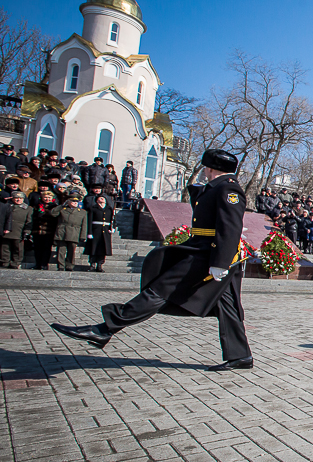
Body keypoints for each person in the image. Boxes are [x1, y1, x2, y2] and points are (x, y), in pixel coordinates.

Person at [51, 149, 254, 372]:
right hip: (205, 249)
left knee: (160, 289)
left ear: (211, 168)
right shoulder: (218, 187)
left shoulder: (228, 188)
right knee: (228, 305)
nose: (204, 171)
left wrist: (221, 262)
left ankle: (105, 329)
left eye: (206, 167)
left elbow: (230, 226)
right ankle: (240, 356)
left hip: (209, 253)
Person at [52, 194, 88, 271]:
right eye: (73, 201)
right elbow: (53, 213)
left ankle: (70, 266)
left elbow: (84, 225)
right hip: (62, 231)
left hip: (74, 232)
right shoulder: (63, 209)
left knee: (71, 251)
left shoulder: (82, 212)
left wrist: (83, 236)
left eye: (76, 201)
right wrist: (61, 205)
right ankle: (61, 266)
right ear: (68, 202)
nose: (75, 203)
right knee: (61, 250)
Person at [2, 191, 32, 268]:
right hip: (7, 229)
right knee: (5, 247)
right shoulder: (7, 206)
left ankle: (16, 262)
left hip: (19, 230)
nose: (18, 200)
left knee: (18, 248)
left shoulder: (28, 208)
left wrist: (27, 231)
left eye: (20, 198)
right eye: (16, 198)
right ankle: (5, 261)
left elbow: (29, 221)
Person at [85, 194, 114, 272]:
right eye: (100, 198)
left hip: (105, 231)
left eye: (103, 198)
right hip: (95, 230)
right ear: (97, 200)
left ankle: (100, 265)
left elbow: (112, 219)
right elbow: (89, 221)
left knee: (103, 248)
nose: (102, 199)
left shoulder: (109, 209)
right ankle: (92, 264)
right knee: (93, 247)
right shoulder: (93, 208)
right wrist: (89, 232)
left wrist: (112, 227)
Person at [31, 190, 58, 270]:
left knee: (46, 249)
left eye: (49, 197)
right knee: (37, 249)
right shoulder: (37, 206)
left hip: (48, 231)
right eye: (45, 197)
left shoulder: (54, 207)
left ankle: (44, 264)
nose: (47, 199)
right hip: (37, 230)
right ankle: (38, 264)